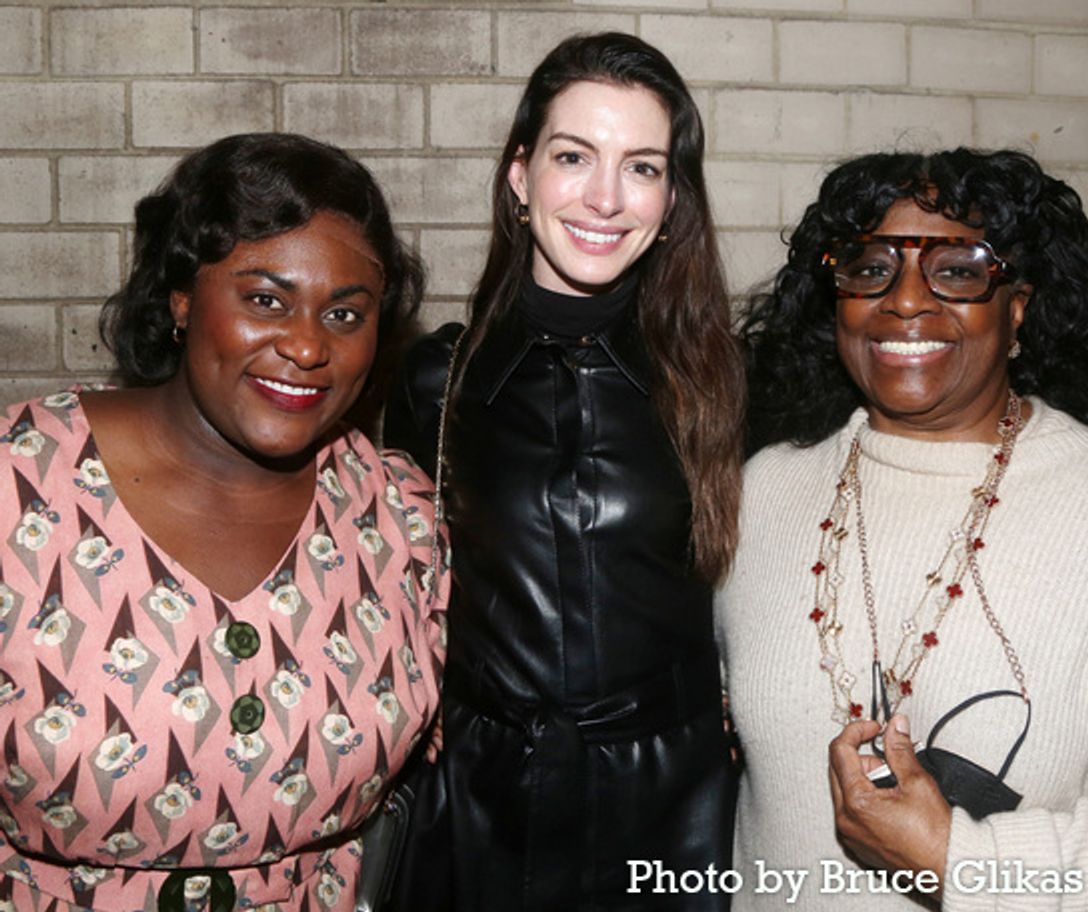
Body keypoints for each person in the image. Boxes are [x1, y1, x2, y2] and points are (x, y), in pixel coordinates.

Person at [719, 148, 1088, 910]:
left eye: (960, 268)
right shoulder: (762, 491)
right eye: (870, 266)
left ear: (1017, 308)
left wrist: (963, 859)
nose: (906, 300)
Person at [0, 133, 448, 912]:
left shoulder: (399, 521)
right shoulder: (21, 486)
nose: (308, 345)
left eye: (345, 313)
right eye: (264, 299)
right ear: (181, 296)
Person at [384, 31, 744, 911]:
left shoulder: (730, 381)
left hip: (676, 813)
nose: (605, 198)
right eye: (574, 155)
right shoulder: (437, 380)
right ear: (520, 176)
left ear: (671, 200)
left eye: (644, 167)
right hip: (477, 812)